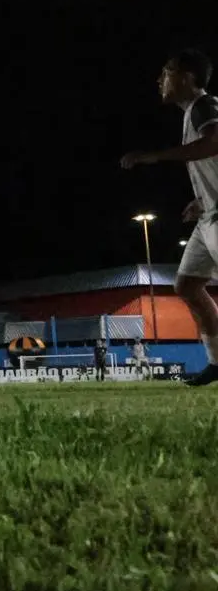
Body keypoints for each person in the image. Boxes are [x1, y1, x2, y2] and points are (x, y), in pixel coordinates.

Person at [121, 49, 218, 386]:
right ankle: (216, 361)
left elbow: (214, 142)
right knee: (187, 285)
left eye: (167, 71)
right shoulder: (193, 113)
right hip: (208, 214)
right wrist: (201, 199)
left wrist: (155, 157)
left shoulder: (204, 105)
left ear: (187, 78)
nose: (159, 79)